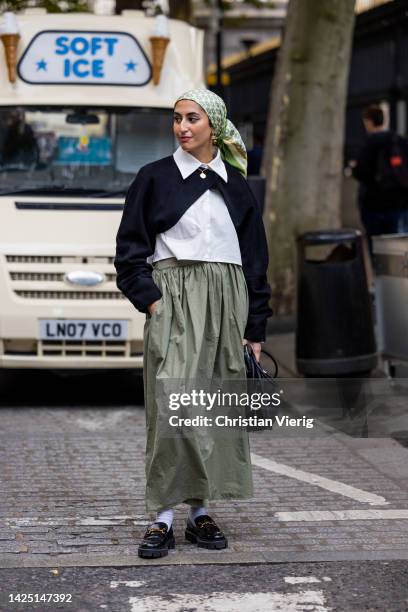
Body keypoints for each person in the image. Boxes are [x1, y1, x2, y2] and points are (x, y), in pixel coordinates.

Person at [114, 88, 272, 559]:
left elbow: (255, 259)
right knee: (171, 405)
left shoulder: (237, 183)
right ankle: (162, 517)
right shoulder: (155, 177)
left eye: (193, 119)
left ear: (215, 126)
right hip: (174, 300)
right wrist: (152, 302)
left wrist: (256, 326)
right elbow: (129, 250)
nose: (183, 127)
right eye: (177, 118)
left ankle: (200, 513)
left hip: (228, 302)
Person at [352, 105, 408, 258]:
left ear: (368, 122)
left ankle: (381, 280)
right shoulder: (400, 141)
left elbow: (360, 172)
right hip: (400, 205)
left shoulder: (369, 144)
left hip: (374, 206)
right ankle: (401, 281)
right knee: (399, 249)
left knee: (378, 251)